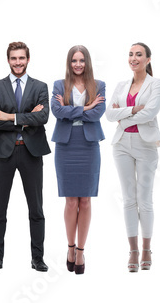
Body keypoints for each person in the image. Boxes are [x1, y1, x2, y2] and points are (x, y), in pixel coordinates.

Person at [0, 42, 51, 272]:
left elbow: (43, 117)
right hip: (3, 153)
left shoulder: (40, 86)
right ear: (8, 60)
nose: (18, 62)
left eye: (21, 58)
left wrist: (10, 116)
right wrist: (25, 117)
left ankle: (38, 258)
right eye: (14, 58)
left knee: (36, 208)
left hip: (31, 152)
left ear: (28, 59)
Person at [104, 42, 160, 272]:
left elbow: (150, 112)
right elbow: (109, 114)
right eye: (130, 54)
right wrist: (133, 110)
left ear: (148, 59)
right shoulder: (121, 85)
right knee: (128, 198)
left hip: (146, 143)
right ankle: (133, 250)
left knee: (144, 197)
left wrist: (124, 116)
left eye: (139, 54)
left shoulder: (156, 83)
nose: (134, 58)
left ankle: (147, 248)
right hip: (121, 144)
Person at [51, 45, 106, 275]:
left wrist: (72, 109)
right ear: (69, 62)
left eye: (81, 60)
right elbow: (56, 111)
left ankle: (81, 251)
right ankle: (70, 248)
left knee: (85, 201)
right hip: (66, 146)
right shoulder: (58, 85)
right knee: (71, 201)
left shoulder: (99, 85)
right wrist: (85, 106)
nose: (78, 64)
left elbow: (97, 114)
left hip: (89, 146)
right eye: (74, 60)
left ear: (87, 62)